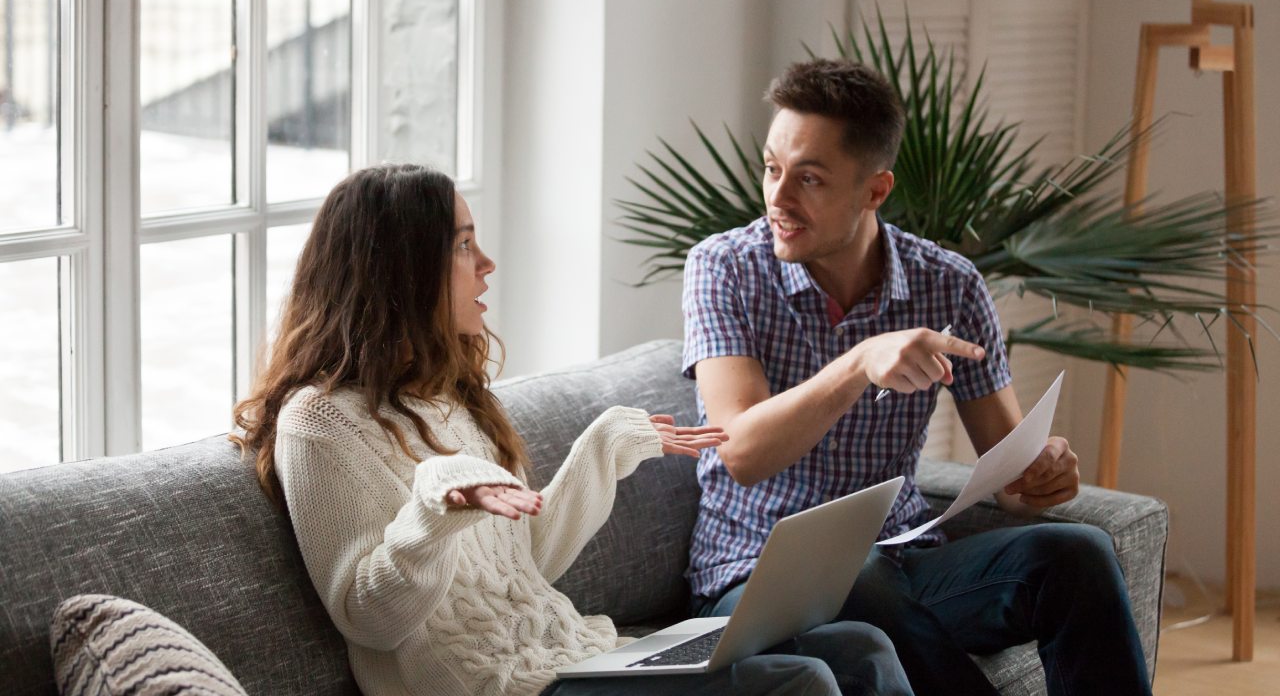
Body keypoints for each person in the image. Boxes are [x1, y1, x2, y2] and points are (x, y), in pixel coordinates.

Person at [230, 164, 913, 696]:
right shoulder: (318, 424)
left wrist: (605, 448)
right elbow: (368, 619)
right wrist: (434, 513)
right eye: (465, 245)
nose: (486, 264)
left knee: (861, 648)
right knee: (800, 683)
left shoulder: (449, 396)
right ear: (399, 271)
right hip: (506, 689)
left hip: (581, 660)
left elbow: (527, 565)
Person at [681, 59, 1153, 696]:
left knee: (1077, 556)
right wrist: (858, 362)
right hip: (752, 584)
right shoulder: (724, 268)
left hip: (903, 565)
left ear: (875, 190)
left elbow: (1008, 473)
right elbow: (740, 451)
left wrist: (1041, 472)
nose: (778, 198)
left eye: (810, 179)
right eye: (772, 168)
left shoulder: (948, 284)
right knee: (860, 573)